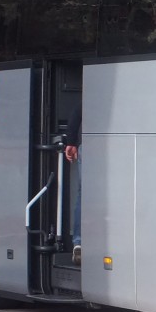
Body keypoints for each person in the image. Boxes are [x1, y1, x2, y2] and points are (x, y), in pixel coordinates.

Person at [62, 103, 82, 265]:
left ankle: (79, 242)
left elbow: (78, 109)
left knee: (85, 193)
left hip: (88, 142)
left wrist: (71, 141)